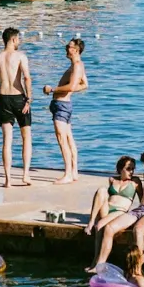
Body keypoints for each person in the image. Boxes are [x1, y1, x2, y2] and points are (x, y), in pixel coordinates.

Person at [0, 28, 36, 186]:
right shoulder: (20, 56)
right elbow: (27, 78)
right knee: (26, 137)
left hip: (3, 100)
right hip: (19, 98)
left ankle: (8, 180)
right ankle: (26, 175)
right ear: (13, 40)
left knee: (7, 140)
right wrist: (28, 99)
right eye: (18, 39)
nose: (19, 42)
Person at [43, 37, 88, 183]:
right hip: (64, 105)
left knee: (62, 139)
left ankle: (68, 174)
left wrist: (52, 90)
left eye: (69, 46)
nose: (66, 48)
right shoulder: (79, 65)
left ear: (75, 50)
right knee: (69, 139)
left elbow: (72, 86)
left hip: (62, 106)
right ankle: (74, 172)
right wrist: (69, 90)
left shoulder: (76, 65)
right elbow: (84, 85)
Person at [87, 155, 140, 233]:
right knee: (102, 190)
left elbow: (142, 200)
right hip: (106, 209)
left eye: (133, 169)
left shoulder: (135, 182)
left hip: (119, 211)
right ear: (120, 169)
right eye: (128, 169)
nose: (131, 172)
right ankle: (91, 221)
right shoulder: (112, 179)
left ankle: (97, 242)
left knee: (99, 225)